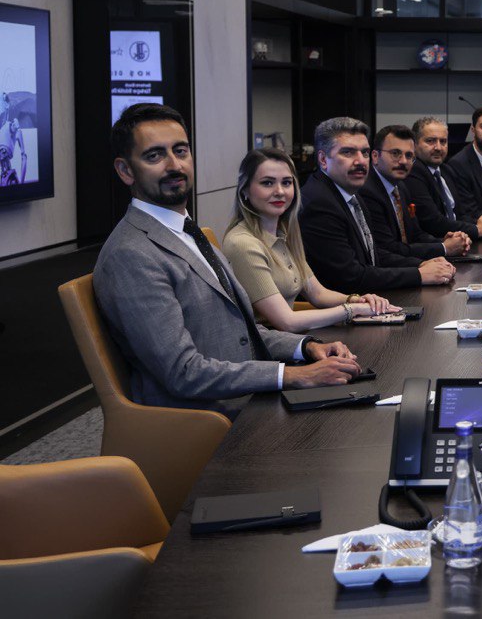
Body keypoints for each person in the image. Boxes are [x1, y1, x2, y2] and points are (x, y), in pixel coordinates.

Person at [93, 104, 360, 414]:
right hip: (207, 417)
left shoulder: (188, 232)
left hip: (245, 394)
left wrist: (307, 347)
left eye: (181, 151)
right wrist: (293, 376)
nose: (174, 165)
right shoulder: (131, 254)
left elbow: (240, 333)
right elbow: (183, 372)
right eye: (154, 156)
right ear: (125, 170)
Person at [222, 148, 399, 333]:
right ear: (245, 190)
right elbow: (287, 322)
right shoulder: (242, 244)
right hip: (268, 345)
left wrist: (357, 300)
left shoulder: (284, 233)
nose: (280, 191)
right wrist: (352, 310)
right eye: (267, 183)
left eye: (287, 182)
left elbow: (318, 294)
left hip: (290, 338)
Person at [298, 117, 455, 294]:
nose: (360, 161)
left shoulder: (351, 194)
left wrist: (421, 264)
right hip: (340, 306)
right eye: (348, 152)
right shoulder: (318, 203)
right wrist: (419, 274)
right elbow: (351, 277)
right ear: (323, 159)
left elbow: (374, 254)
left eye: (364, 152)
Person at [360, 124, 471, 260]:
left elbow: (415, 235)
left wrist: (447, 241)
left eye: (409, 155)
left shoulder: (401, 187)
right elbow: (388, 248)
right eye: (395, 153)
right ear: (375, 156)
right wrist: (444, 248)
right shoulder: (367, 191)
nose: (403, 161)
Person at [404, 115, 482, 243]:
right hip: (435, 246)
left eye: (443, 141)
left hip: (461, 242)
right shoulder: (413, 172)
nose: (438, 147)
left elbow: (460, 214)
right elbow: (433, 222)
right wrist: (478, 229)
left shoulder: (446, 171)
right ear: (414, 144)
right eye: (430, 141)